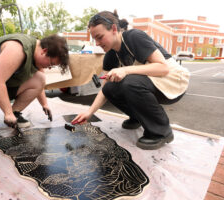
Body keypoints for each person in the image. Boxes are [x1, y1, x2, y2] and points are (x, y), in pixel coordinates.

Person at [72, 11, 190, 150]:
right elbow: (105, 89)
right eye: (94, 39)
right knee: (110, 88)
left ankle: (161, 132)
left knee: (130, 83)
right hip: (149, 82)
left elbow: (163, 68)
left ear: (114, 29)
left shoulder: (134, 37)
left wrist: (125, 70)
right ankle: (138, 118)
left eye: (100, 37)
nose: (97, 43)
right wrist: (89, 112)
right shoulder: (110, 55)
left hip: (172, 81)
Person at [0, 33, 69, 134]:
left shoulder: (37, 55)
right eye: (50, 64)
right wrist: (7, 113)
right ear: (44, 51)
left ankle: (15, 112)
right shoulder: (17, 49)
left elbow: (40, 82)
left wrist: (44, 104)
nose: (49, 68)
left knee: (40, 78)